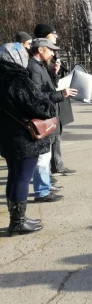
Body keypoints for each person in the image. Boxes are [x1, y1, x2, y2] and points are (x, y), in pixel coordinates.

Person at [0, 42, 57, 236]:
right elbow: (37, 107)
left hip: (7, 136)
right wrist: (49, 106)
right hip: (23, 137)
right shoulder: (17, 79)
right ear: (16, 57)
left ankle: (16, 219)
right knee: (22, 177)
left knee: (14, 176)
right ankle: (18, 222)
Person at [28, 39, 77, 202]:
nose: (53, 53)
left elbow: (47, 87)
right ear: (40, 50)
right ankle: (42, 191)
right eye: (50, 50)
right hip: (40, 117)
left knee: (45, 155)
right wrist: (61, 95)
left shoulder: (40, 66)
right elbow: (36, 96)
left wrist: (54, 75)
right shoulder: (34, 67)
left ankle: (45, 187)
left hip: (46, 116)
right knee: (42, 157)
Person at [34, 23, 76, 178]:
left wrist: (57, 72)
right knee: (50, 137)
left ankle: (57, 165)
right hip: (51, 100)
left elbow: (52, 80)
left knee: (57, 133)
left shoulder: (50, 55)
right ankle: (50, 173)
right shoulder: (38, 61)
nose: (56, 36)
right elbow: (42, 88)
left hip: (58, 98)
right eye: (53, 33)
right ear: (45, 37)